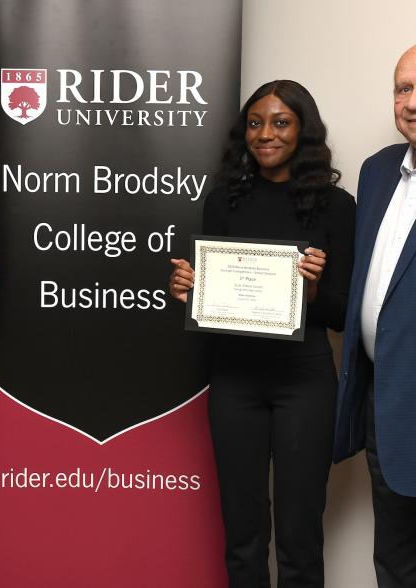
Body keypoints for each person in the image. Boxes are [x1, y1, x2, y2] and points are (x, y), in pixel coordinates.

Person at [169, 80, 355, 587]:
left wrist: (312, 293)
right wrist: (190, 291)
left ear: (304, 131)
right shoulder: (224, 201)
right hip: (234, 381)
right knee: (243, 534)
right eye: (255, 123)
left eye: (280, 122)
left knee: (298, 536)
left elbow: (341, 313)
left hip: (305, 383)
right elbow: (212, 306)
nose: (265, 134)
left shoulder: (337, 207)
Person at [334, 45, 416, 587]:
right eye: (403, 88)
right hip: (385, 407)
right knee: (395, 562)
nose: (410, 102)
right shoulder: (379, 171)